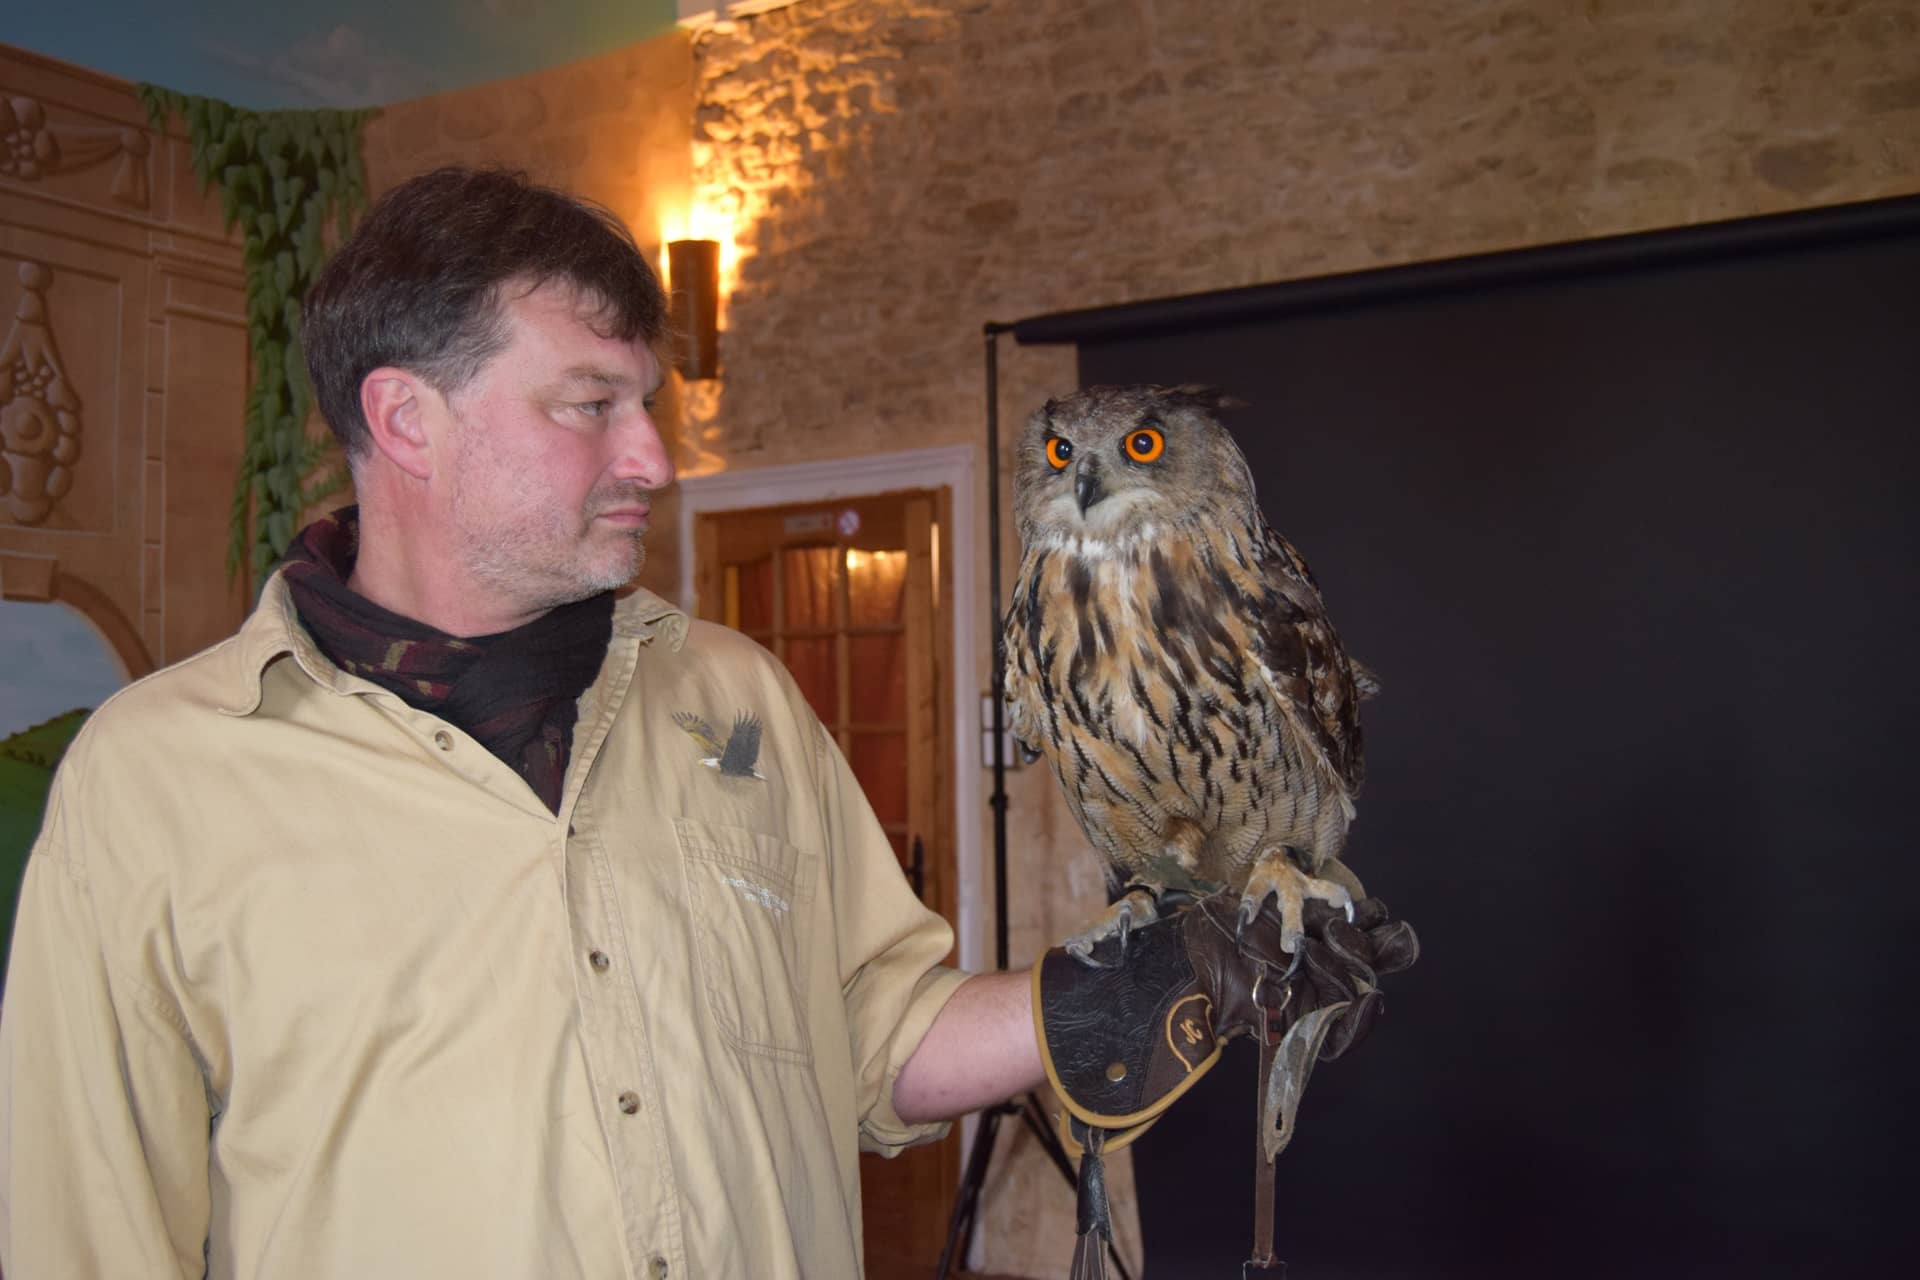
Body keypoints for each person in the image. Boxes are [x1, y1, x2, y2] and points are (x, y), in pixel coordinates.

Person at [0, 167, 1040, 1279]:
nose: (653, 458)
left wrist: (1121, 990)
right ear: (406, 418)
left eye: (643, 404)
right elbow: (85, 1229)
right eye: (592, 404)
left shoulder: (737, 696)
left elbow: (876, 1029)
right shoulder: (158, 773)